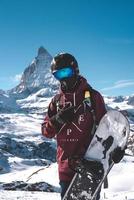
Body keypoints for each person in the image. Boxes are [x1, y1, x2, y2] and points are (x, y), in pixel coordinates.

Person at [41, 53, 125, 199]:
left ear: (75, 70)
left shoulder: (93, 97)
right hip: (66, 169)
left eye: (66, 72)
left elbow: (107, 128)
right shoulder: (55, 102)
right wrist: (57, 120)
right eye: (58, 74)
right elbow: (46, 132)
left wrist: (115, 150)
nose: (63, 78)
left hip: (90, 167)